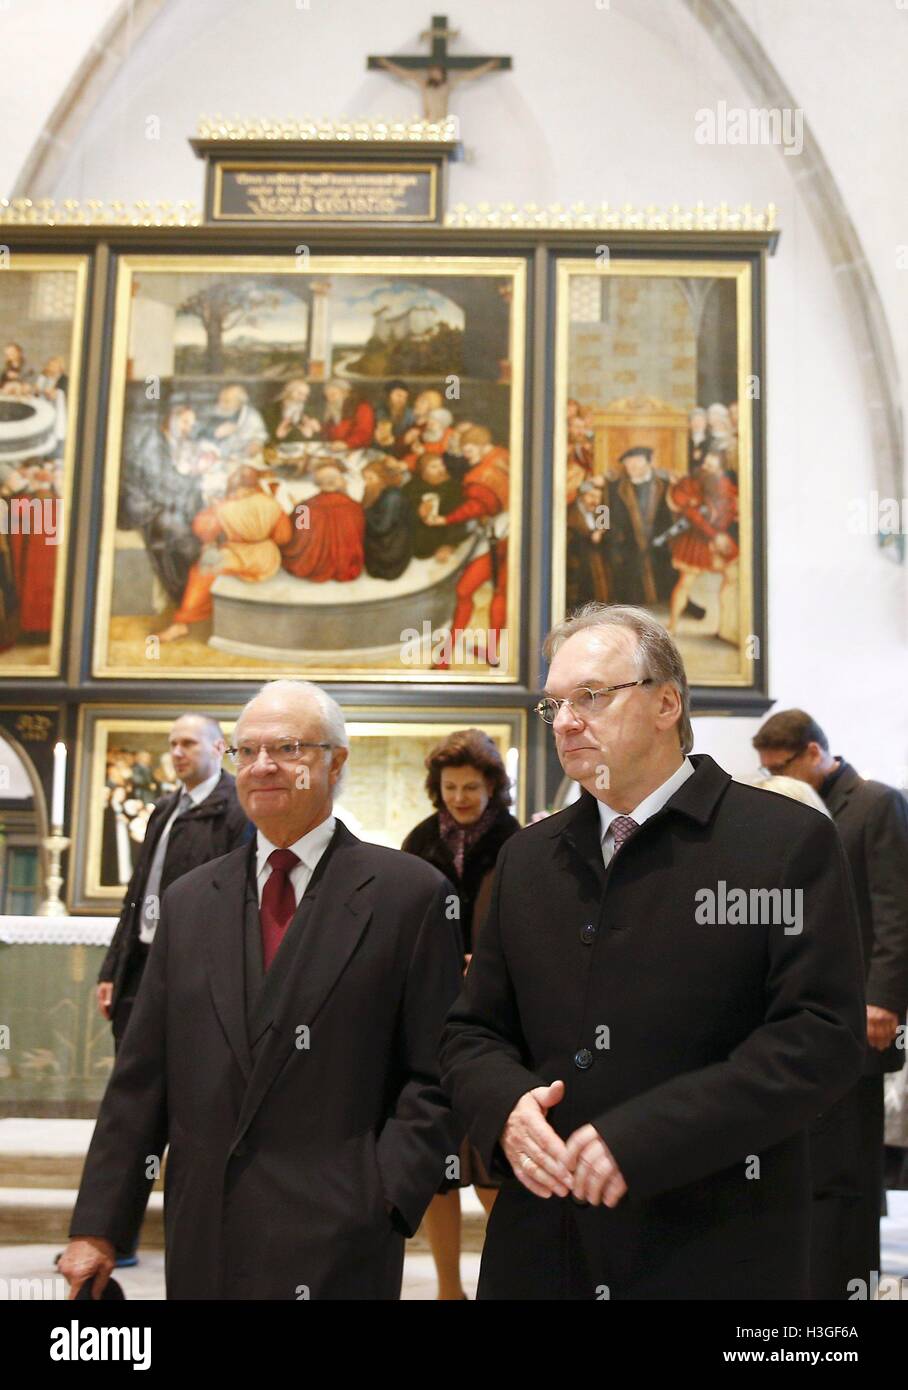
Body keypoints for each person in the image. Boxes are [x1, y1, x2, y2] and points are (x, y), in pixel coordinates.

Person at [440, 603, 866, 1300]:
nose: (568, 721)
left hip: (714, 1239)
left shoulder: (782, 842)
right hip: (544, 1245)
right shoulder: (527, 858)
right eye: (556, 705)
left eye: (593, 696)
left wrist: (645, 1137)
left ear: (667, 702)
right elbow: (472, 1031)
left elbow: (820, 1037)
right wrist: (506, 1108)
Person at [61, 680, 463, 1300]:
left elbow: (436, 1073)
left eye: (288, 748)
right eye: (246, 752)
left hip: (341, 1238)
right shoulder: (190, 903)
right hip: (207, 1234)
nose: (263, 766)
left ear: (336, 762)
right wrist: (98, 1228)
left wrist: (384, 1197)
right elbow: (142, 1081)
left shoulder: (409, 896)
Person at [753, 708, 908, 1299]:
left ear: (814, 752)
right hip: (806, 1019)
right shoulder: (792, 804)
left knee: (850, 1176)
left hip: (861, 1014)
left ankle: (851, 1291)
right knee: (816, 1167)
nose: (771, 775)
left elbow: (896, 907)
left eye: (781, 764)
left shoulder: (876, 804)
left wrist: (885, 1000)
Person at [402, 729, 521, 1300]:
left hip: (498, 1019)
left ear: (493, 786)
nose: (460, 798)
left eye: (471, 787)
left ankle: (500, 1284)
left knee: (489, 1162)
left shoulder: (516, 840)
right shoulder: (420, 840)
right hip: (429, 1016)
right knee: (436, 1165)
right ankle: (449, 1289)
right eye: (449, 787)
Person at [157, 465, 292, 642]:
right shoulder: (272, 504)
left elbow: (202, 530)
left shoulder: (224, 507)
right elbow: (283, 537)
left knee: (201, 572)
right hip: (266, 560)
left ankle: (181, 624)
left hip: (235, 555)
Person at [607, 447, 675, 608]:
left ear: (648, 463)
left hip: (659, 543)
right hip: (626, 543)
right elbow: (603, 508)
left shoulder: (664, 485)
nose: (632, 468)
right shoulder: (615, 486)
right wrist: (601, 529)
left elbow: (673, 516)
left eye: (636, 464)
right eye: (628, 465)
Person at [281, 460, 365, 583]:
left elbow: (298, 538)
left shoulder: (305, 507)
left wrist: (297, 508)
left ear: (318, 483)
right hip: (345, 564)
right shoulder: (354, 506)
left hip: (313, 566)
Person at [362, 457, 413, 580]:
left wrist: (365, 512)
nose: (367, 482)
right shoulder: (378, 491)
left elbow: (382, 528)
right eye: (365, 479)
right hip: (384, 541)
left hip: (390, 548)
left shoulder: (392, 497)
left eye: (370, 478)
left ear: (383, 478)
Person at [566, 477, 610, 609]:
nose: (595, 501)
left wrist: (601, 533)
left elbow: (605, 531)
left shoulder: (602, 510)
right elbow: (570, 536)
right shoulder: (571, 511)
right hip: (577, 562)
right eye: (591, 496)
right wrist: (590, 536)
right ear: (582, 496)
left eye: (598, 497)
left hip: (597, 561)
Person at [202, 385, 267, 460]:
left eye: (227, 401)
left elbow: (260, 435)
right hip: (215, 459)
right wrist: (214, 433)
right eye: (220, 400)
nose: (221, 404)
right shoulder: (209, 413)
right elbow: (198, 433)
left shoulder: (251, 416)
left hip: (243, 459)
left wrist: (256, 443)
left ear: (239, 403)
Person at [316, 378, 374, 450]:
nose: (330, 399)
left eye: (333, 395)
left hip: (358, 451)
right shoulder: (334, 409)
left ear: (345, 393)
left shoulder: (362, 407)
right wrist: (320, 428)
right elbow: (332, 433)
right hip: (337, 451)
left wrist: (347, 444)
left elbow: (364, 433)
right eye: (327, 396)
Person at [373, 379, 414, 457]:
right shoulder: (377, 412)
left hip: (401, 454)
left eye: (405, 397)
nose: (401, 400)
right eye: (398, 395)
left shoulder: (410, 415)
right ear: (388, 395)